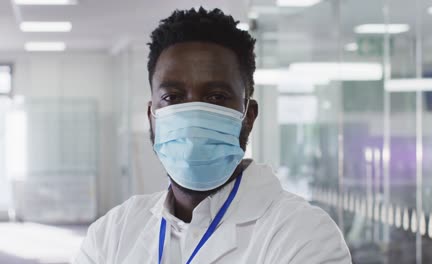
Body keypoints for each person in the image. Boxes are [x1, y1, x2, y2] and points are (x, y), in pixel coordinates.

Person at [74, 7, 351, 264]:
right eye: (172, 97)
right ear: (151, 116)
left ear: (249, 115)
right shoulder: (112, 234)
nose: (193, 114)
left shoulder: (304, 236)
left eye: (216, 97)